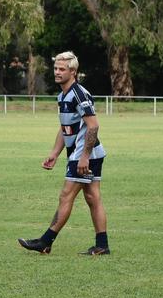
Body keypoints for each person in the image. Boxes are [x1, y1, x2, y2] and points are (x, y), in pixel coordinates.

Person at [18, 51, 110, 255]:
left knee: (66, 196)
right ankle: (102, 245)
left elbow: (93, 126)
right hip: (84, 154)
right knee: (93, 197)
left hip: (85, 155)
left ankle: (45, 241)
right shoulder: (62, 95)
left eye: (62, 69)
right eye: (56, 68)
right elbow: (65, 127)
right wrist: (55, 153)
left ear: (73, 72)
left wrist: (84, 156)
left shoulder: (78, 93)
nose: (57, 72)